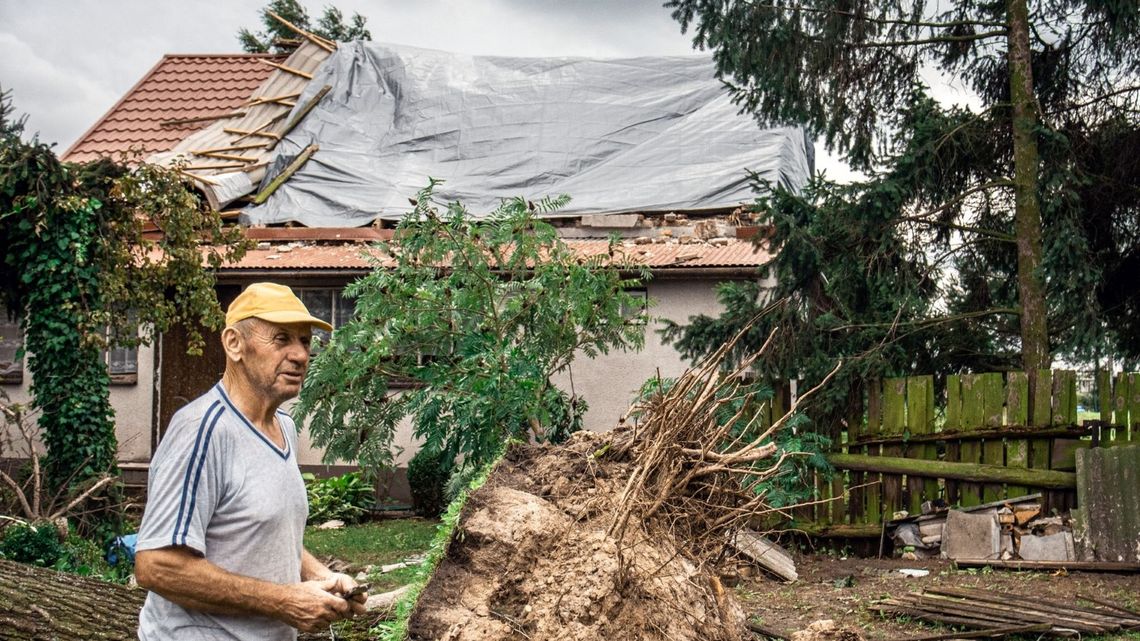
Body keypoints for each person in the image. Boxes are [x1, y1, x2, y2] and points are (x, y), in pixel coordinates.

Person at [135, 283, 367, 640]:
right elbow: (156, 566)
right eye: (281, 339)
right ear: (234, 344)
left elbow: (261, 532)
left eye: (305, 341)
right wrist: (283, 601)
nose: (300, 355)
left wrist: (320, 576)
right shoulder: (202, 430)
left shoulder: (284, 427)